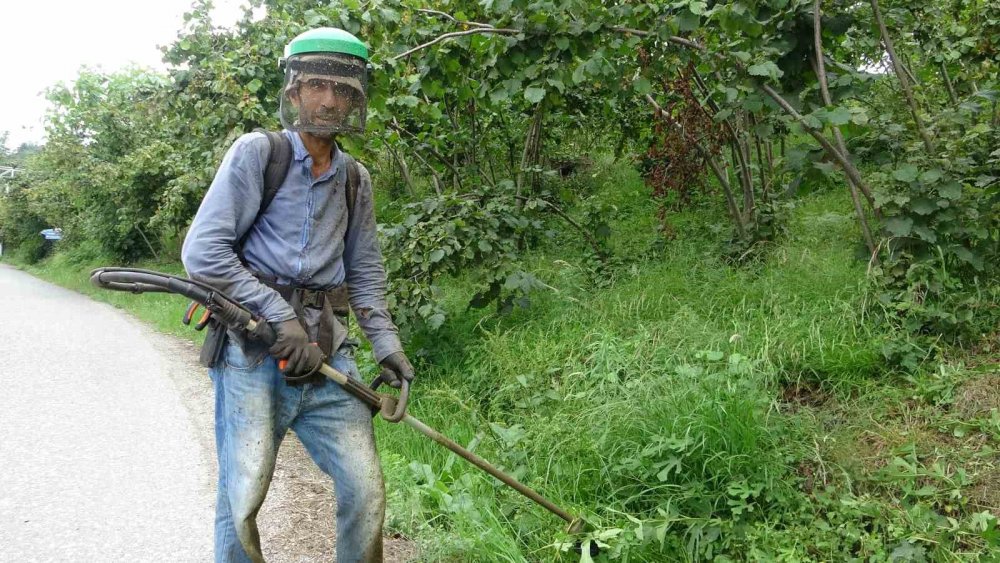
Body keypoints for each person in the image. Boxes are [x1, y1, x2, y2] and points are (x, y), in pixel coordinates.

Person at [181, 27, 413, 563]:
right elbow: (203, 253)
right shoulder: (257, 154)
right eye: (316, 85)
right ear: (293, 93)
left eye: (341, 89)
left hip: (330, 357)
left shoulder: (356, 179)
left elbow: (366, 272)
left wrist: (387, 346)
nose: (328, 99)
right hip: (252, 353)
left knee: (365, 488)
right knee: (242, 496)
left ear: (356, 99)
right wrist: (278, 317)